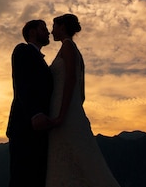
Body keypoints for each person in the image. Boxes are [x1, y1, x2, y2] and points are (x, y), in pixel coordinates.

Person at [46, 13, 121, 187]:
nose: (52, 31)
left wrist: (62, 114)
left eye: (54, 26)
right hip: (68, 109)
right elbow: (82, 93)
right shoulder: (72, 49)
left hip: (63, 111)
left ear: (62, 27)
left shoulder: (68, 46)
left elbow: (71, 79)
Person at [6, 19, 54, 187]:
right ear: (32, 32)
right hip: (24, 126)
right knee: (22, 178)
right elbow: (22, 83)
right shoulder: (22, 50)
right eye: (44, 28)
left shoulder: (42, 62)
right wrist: (35, 113)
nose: (48, 32)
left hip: (41, 128)